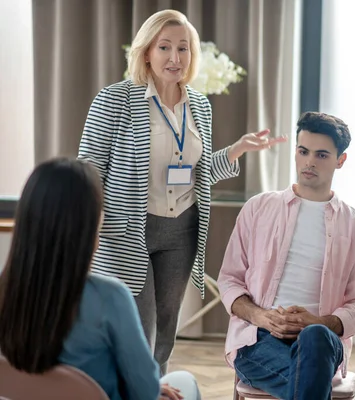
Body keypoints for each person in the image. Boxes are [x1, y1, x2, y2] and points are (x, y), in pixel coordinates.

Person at [77, 9, 285, 375]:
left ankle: (157, 387)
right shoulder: (115, 100)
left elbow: (197, 175)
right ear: (146, 53)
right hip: (128, 231)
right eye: (165, 47)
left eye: (183, 48)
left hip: (182, 230)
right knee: (138, 324)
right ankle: (134, 388)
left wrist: (236, 150)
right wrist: (90, 227)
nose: (175, 58)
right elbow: (88, 168)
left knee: (167, 324)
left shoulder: (200, 106)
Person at [0, 158, 201, 400]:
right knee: (185, 383)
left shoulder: (5, 292)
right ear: (88, 224)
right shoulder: (109, 297)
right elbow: (145, 391)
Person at [217, 112, 355, 400]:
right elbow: (229, 280)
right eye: (303, 151)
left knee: (314, 340)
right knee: (309, 381)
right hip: (257, 337)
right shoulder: (258, 208)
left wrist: (317, 322)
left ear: (341, 161)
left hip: (322, 342)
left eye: (321, 155)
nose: (309, 162)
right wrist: (263, 317)